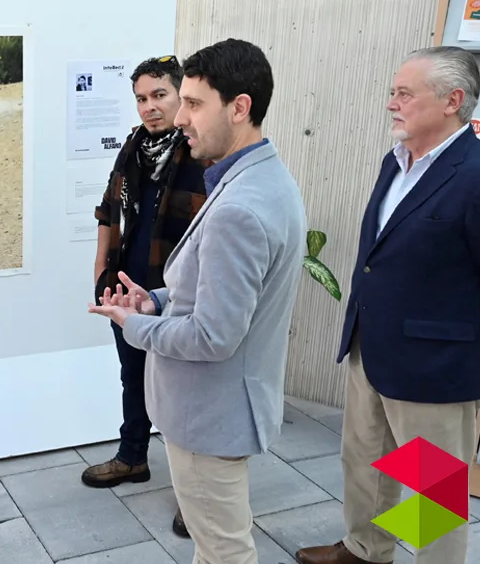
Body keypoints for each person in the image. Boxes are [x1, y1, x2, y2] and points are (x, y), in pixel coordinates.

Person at [88, 38, 307, 564]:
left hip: (213, 413)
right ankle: (378, 543)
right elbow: (212, 286)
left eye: (192, 103)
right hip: (219, 406)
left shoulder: (239, 204)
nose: (179, 117)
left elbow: (213, 335)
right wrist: (158, 301)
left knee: (224, 550)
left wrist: (133, 324)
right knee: (216, 546)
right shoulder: (257, 178)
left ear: (239, 107)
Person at [295, 46, 480, 564]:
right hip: (370, 345)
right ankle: (364, 549)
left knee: (434, 494)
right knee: (364, 460)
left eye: (405, 93)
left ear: (453, 100)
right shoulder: (395, 162)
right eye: (392, 92)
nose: (391, 104)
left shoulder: (477, 175)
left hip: (435, 368)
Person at [82, 55, 209, 540]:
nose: (150, 107)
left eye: (160, 96)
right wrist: (101, 266)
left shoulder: (198, 151)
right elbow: (110, 208)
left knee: (179, 390)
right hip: (131, 283)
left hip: (174, 288)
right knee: (131, 373)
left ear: (181, 97)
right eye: (141, 98)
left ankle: (193, 494)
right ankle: (133, 456)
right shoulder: (135, 146)